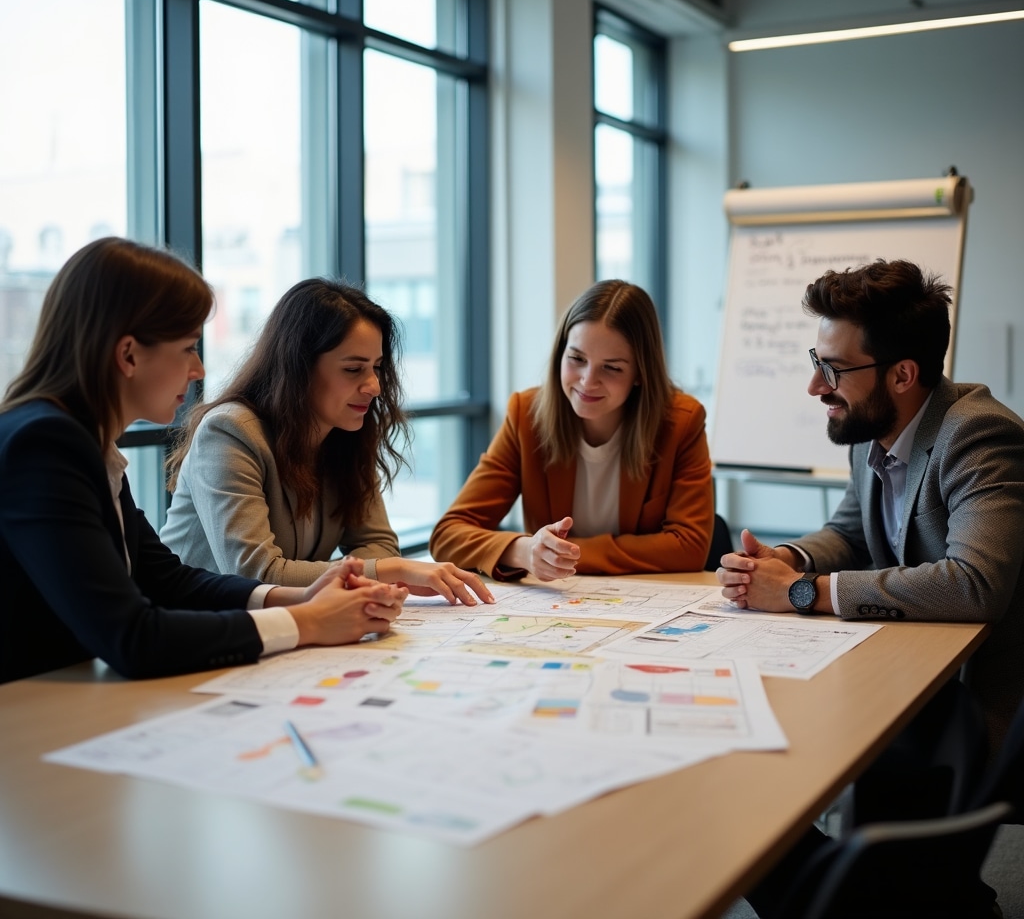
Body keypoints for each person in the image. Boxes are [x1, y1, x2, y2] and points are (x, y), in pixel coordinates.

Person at [0, 238, 408, 685]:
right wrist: (306, 623)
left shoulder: (86, 444)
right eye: (189, 347)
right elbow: (131, 637)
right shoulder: (46, 443)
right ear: (129, 354)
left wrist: (301, 598)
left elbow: (170, 581)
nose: (199, 370)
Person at [716, 258, 1024, 754]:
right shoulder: (873, 428)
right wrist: (787, 561)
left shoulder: (977, 435)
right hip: (910, 670)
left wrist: (800, 591)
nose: (816, 386)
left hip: (977, 702)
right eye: (816, 362)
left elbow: (974, 585)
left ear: (903, 375)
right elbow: (850, 534)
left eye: (833, 369)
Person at [162, 278, 493, 606]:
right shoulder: (229, 432)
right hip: (194, 633)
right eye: (353, 369)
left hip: (277, 628)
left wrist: (378, 569)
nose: (374, 387)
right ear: (298, 368)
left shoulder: (344, 432)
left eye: (376, 368)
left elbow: (377, 543)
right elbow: (256, 575)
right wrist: (387, 570)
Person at [429, 279, 714, 579]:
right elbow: (448, 535)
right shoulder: (526, 415)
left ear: (641, 373)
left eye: (612, 367)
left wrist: (564, 555)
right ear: (560, 354)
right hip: (559, 606)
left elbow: (689, 546)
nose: (587, 381)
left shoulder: (681, 421)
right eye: (577, 359)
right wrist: (524, 551)